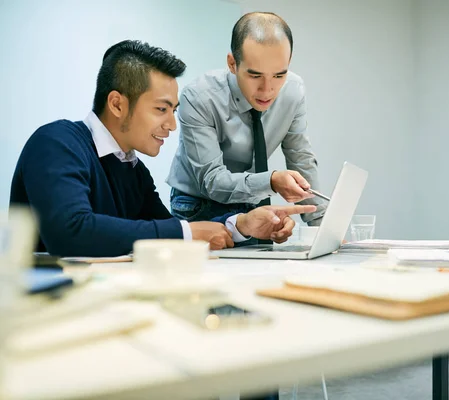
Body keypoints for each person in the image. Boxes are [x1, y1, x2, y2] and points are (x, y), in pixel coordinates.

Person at [9, 40, 315, 257]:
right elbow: (70, 232)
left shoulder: (133, 169)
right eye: (161, 109)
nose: (172, 124)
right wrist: (185, 234)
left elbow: (168, 228)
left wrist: (241, 225)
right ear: (117, 103)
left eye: (174, 110)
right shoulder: (57, 142)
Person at [167, 11, 326, 227]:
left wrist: (322, 225)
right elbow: (211, 181)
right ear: (232, 63)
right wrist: (271, 181)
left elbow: (301, 158)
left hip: (253, 197)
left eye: (279, 75)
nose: (267, 90)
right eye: (255, 75)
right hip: (198, 203)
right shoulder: (198, 97)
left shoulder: (293, 90)